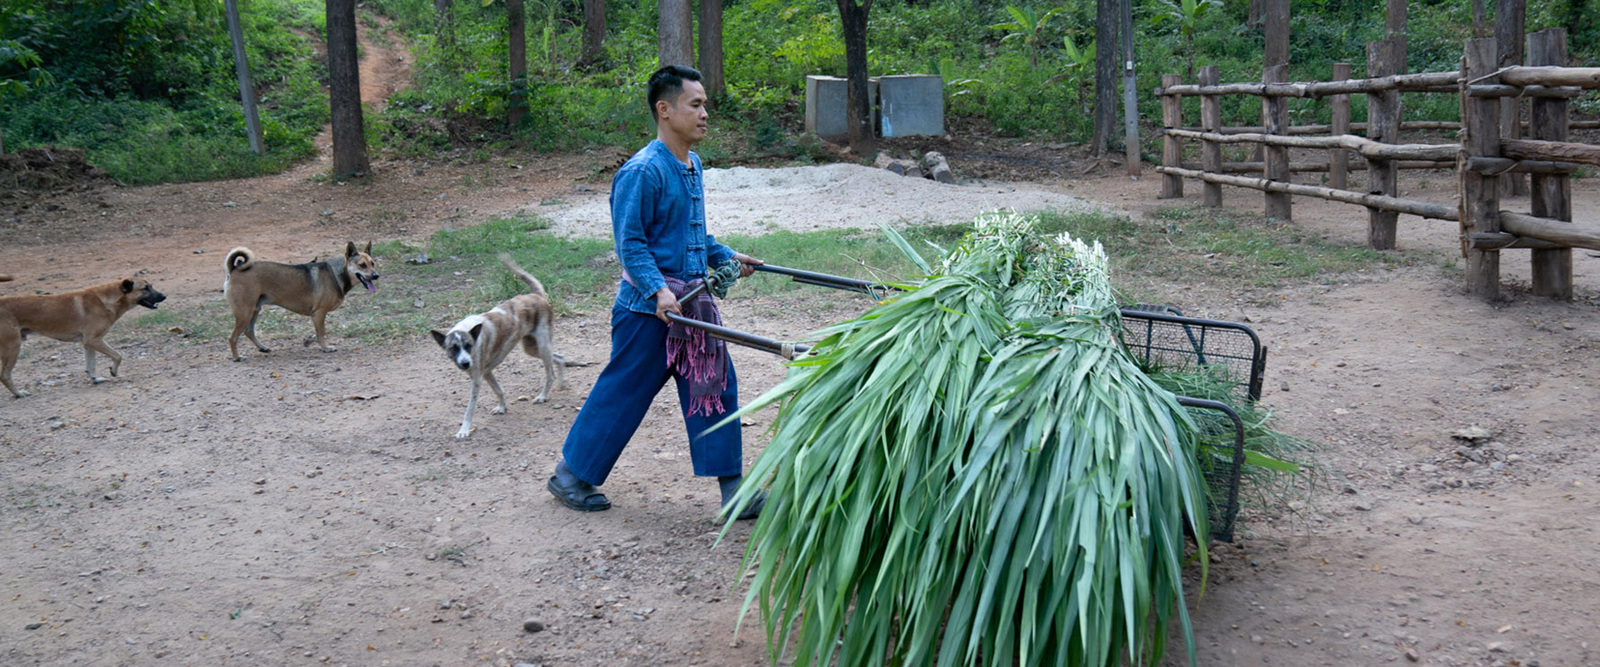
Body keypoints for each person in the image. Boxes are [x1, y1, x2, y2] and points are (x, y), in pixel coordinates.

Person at [547, 65, 766, 519]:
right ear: (664, 110)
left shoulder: (692, 165)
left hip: (691, 309)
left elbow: (693, 237)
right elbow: (630, 243)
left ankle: (734, 493)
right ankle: (571, 475)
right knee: (624, 394)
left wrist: (726, 256)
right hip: (647, 314)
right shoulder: (643, 171)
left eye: (705, 104)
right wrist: (657, 291)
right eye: (696, 104)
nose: (705, 112)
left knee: (715, 388)